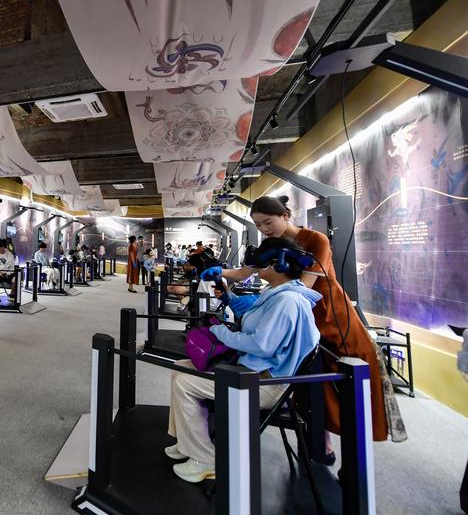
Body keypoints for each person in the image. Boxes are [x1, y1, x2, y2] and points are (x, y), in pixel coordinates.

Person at [201, 195, 406, 460]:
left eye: (268, 222)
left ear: (285, 215)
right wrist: (220, 272)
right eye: (259, 225)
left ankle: (345, 451)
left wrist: (264, 305)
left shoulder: (316, 241)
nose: (264, 229)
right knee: (305, 377)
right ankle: (319, 440)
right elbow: (247, 272)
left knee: (346, 378)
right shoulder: (272, 245)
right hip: (298, 314)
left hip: (328, 314)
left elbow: (302, 287)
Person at [166, 236, 322, 483]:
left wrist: (221, 333)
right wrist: (227, 295)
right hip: (252, 371)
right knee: (180, 368)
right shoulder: (276, 293)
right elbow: (252, 317)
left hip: (266, 384)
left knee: (186, 383)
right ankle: (187, 442)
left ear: (279, 265)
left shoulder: (288, 301)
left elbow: (261, 344)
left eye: (263, 263)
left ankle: (204, 459)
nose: (257, 268)